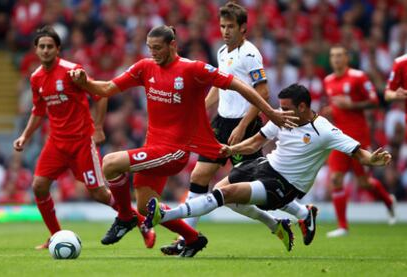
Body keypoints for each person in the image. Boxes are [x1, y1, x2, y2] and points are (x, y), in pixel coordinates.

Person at [70, 25, 297, 258]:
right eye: (150, 48)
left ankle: (125, 218)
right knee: (145, 206)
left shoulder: (193, 69)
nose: (153, 53)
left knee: (110, 163)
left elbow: (239, 85)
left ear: (173, 45)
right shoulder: (144, 67)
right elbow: (106, 89)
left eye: (158, 48)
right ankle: (192, 238)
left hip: (175, 151)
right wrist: (84, 81)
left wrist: (270, 112)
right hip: (153, 148)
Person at [144, 84, 392, 254]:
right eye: (280, 107)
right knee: (222, 191)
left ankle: (165, 216)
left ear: (303, 107)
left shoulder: (324, 130)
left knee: (225, 195)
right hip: (265, 166)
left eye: (285, 108)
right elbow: (257, 141)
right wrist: (232, 150)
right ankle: (285, 222)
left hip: (283, 186)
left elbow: (358, 152)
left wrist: (373, 160)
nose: (280, 112)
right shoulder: (282, 119)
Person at [13, 26, 155, 250]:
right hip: (56, 143)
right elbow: (38, 111)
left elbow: (101, 95)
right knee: (39, 186)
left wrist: (98, 128)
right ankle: (56, 235)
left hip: (81, 141)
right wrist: (24, 136)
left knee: (99, 194)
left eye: (50, 46)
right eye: (42, 47)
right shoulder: (36, 78)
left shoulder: (73, 72)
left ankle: (141, 224)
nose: (46, 50)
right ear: (36, 50)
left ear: (58, 49)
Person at [161, 2, 271, 255]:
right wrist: (198, 107)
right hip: (222, 123)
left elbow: (263, 91)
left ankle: (299, 214)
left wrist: (244, 126)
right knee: (199, 177)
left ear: (243, 28)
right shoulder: (222, 51)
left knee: (255, 185)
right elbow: (219, 87)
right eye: (222, 26)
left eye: (231, 26)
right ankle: (186, 238)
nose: (225, 31)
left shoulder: (250, 54)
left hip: (245, 124)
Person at [323, 45, 396, 238]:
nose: (336, 59)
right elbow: (336, 106)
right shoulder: (328, 81)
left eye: (339, 55)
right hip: (338, 138)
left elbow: (374, 101)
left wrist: (351, 105)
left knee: (364, 183)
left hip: (358, 138)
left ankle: (388, 200)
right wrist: (332, 111)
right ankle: (343, 227)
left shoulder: (358, 77)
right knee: (335, 179)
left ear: (347, 58)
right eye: (333, 56)